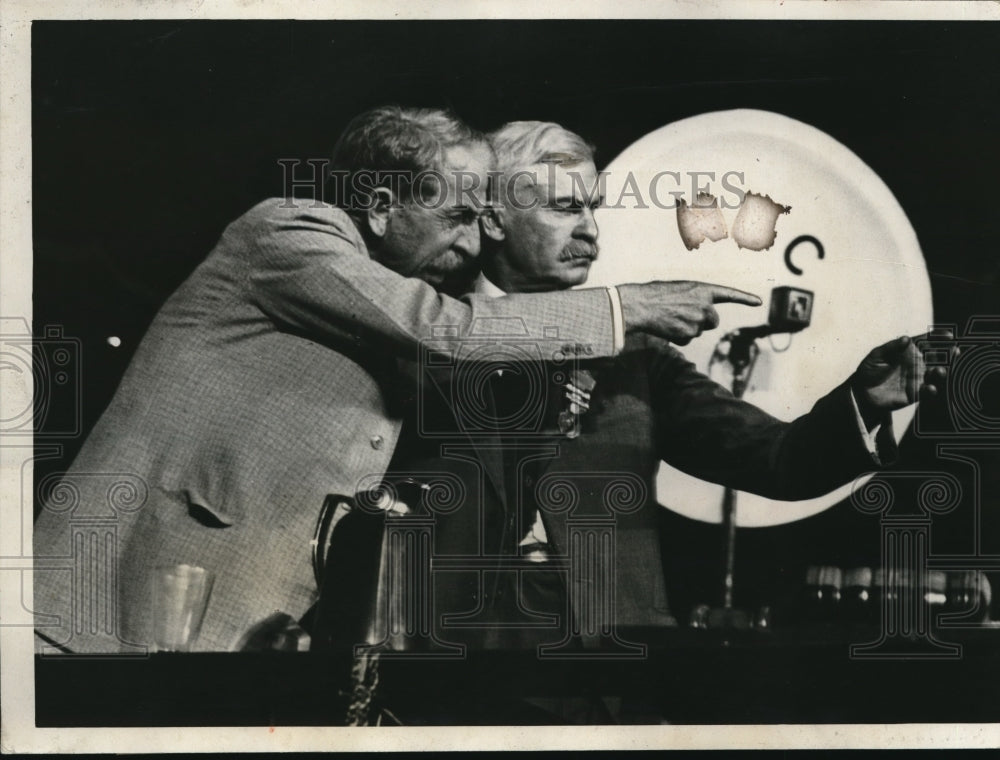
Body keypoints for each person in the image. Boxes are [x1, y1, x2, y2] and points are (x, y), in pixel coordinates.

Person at [31, 106, 765, 654]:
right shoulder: (288, 233)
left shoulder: (381, 298)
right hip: (105, 605)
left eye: (483, 219)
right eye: (456, 217)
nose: (472, 240)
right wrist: (628, 305)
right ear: (381, 206)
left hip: (236, 617)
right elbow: (450, 329)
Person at [384, 121, 950, 659]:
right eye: (565, 208)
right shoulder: (420, 327)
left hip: (613, 673)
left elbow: (779, 460)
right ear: (493, 219)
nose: (590, 231)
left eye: (593, 209)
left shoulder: (635, 356)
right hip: (451, 665)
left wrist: (866, 400)